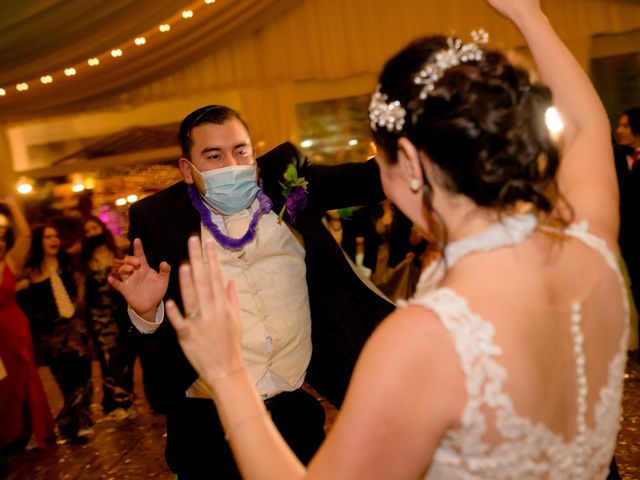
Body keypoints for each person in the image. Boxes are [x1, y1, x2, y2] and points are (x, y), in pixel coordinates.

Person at [165, 0, 628, 478]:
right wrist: (530, 15)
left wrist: (228, 375)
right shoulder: (588, 246)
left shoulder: (423, 339)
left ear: (408, 162)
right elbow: (587, 128)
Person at [109, 105, 394, 478]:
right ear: (186, 168)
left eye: (240, 151)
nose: (232, 164)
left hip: (294, 417)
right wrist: (146, 313)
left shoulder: (285, 181)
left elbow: (370, 179)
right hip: (208, 428)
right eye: (213, 156)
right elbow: (143, 321)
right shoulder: (156, 217)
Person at [19, 224, 94, 442]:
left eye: (55, 236)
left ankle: (80, 422)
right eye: (47, 237)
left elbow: (80, 288)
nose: (53, 240)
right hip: (51, 336)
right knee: (65, 381)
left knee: (83, 377)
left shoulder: (67, 262)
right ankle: (68, 421)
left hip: (75, 329)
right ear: (38, 243)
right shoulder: (31, 270)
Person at [0, 197, 55, 450]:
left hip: (13, 328)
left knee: (20, 377)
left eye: (1, 238)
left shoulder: (10, 263)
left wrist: (11, 205)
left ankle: (27, 431)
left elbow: (24, 235)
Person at [78, 216, 136, 420]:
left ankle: (126, 400)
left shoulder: (117, 250)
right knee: (108, 360)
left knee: (126, 357)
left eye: (94, 227)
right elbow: (82, 291)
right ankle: (117, 403)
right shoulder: (85, 258)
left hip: (121, 312)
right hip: (99, 317)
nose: (92, 233)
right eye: (87, 230)